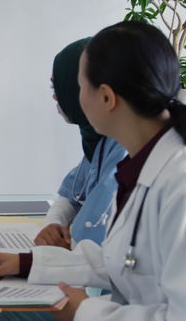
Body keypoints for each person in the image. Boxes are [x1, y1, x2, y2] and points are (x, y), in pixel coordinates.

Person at [0, 21, 186, 321]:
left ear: (107, 98)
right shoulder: (141, 164)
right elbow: (120, 259)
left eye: (81, 86)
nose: (68, 97)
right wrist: (28, 263)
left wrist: (86, 312)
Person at [34, 38, 126, 249]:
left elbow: (88, 240)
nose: (56, 96)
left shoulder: (121, 148)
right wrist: (53, 225)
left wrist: (33, 259)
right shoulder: (98, 143)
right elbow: (70, 194)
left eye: (60, 85)